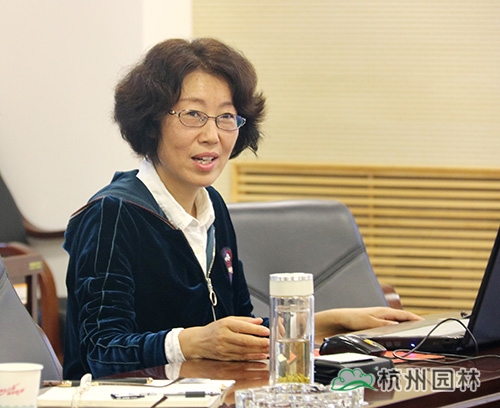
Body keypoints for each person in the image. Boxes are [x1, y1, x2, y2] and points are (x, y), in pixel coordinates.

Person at [63, 37, 421, 380]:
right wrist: (191, 342)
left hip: (213, 391)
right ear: (151, 120)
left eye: (226, 117)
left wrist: (327, 322)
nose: (212, 135)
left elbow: (237, 329)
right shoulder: (112, 213)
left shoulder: (212, 206)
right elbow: (102, 352)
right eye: (193, 114)